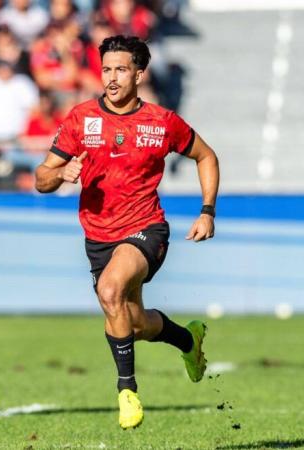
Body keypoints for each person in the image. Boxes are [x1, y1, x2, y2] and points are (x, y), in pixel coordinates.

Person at [35, 35, 219, 429]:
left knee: (110, 290)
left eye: (120, 70)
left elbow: (206, 156)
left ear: (139, 73)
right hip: (98, 236)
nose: (112, 78)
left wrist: (207, 211)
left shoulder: (162, 122)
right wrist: (59, 174)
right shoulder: (81, 118)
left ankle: (127, 391)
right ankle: (188, 340)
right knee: (133, 323)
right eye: (106, 69)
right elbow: (41, 177)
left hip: (146, 229)